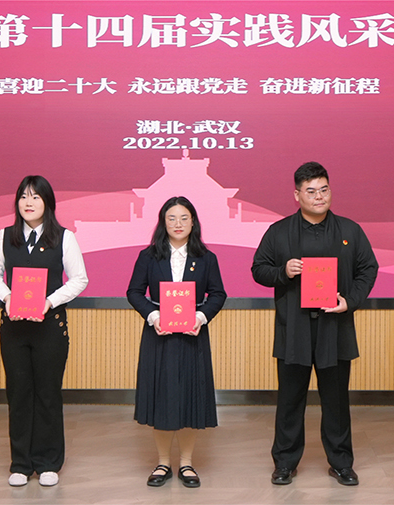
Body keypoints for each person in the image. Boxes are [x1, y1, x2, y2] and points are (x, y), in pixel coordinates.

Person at [251, 162, 378, 487]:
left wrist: (350, 301)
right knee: (290, 400)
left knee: (336, 401)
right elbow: (258, 269)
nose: (319, 196)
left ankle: (341, 463)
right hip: (293, 328)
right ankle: (284, 463)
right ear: (297, 195)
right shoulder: (279, 231)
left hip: (334, 327)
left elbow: (369, 269)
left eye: (324, 190)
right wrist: (283, 271)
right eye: (311, 191)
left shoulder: (349, 231)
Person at [0, 175, 88, 487]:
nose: (28, 203)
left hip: (50, 328)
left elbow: (79, 279)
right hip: (14, 329)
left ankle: (48, 462)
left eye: (36, 197)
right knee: (18, 393)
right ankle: (21, 463)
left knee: (47, 394)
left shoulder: (64, 238)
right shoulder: (4, 236)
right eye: (23, 197)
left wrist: (50, 301)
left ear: (48, 203)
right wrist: (7, 297)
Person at [126, 196, 227, 489]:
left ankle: (186, 462)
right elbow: (134, 292)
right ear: (163, 222)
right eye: (171, 218)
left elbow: (218, 294)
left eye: (184, 218)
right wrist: (153, 315)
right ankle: (162, 462)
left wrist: (201, 317)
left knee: (189, 398)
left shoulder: (207, 258)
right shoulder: (149, 256)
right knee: (162, 398)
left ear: (193, 222)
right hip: (159, 335)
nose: (178, 224)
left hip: (193, 336)